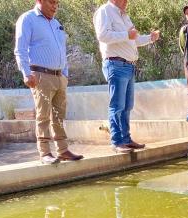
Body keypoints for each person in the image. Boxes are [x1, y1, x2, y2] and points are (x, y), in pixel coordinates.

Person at [14, 0, 83, 164]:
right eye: (51, 2)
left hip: (59, 77)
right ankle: (44, 152)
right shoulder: (27, 19)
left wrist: (64, 74)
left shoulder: (57, 23)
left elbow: (61, 49)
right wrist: (26, 73)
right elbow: (20, 49)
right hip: (40, 76)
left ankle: (63, 150)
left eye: (57, 3)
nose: (55, 6)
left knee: (59, 116)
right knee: (43, 115)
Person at [93, 0, 160, 153]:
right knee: (117, 105)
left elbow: (133, 40)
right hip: (115, 64)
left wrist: (150, 38)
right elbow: (102, 35)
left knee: (127, 106)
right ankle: (116, 141)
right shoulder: (105, 11)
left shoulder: (124, 16)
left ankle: (126, 139)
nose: (126, 2)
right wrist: (126, 34)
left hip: (129, 66)